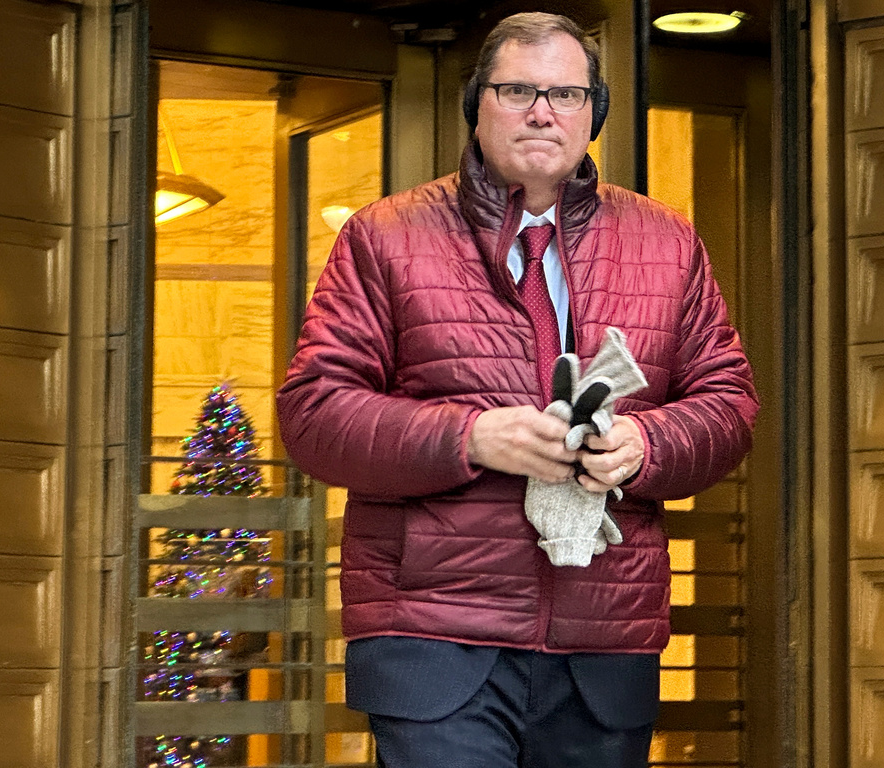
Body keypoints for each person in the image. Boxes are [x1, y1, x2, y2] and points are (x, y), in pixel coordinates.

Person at [277, 11, 758, 768]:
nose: (543, 111)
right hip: (433, 635)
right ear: (477, 104)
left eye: (567, 95)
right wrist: (469, 438)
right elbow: (314, 413)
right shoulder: (384, 236)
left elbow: (727, 403)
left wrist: (646, 442)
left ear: (592, 114)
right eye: (517, 90)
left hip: (605, 638)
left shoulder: (667, 242)